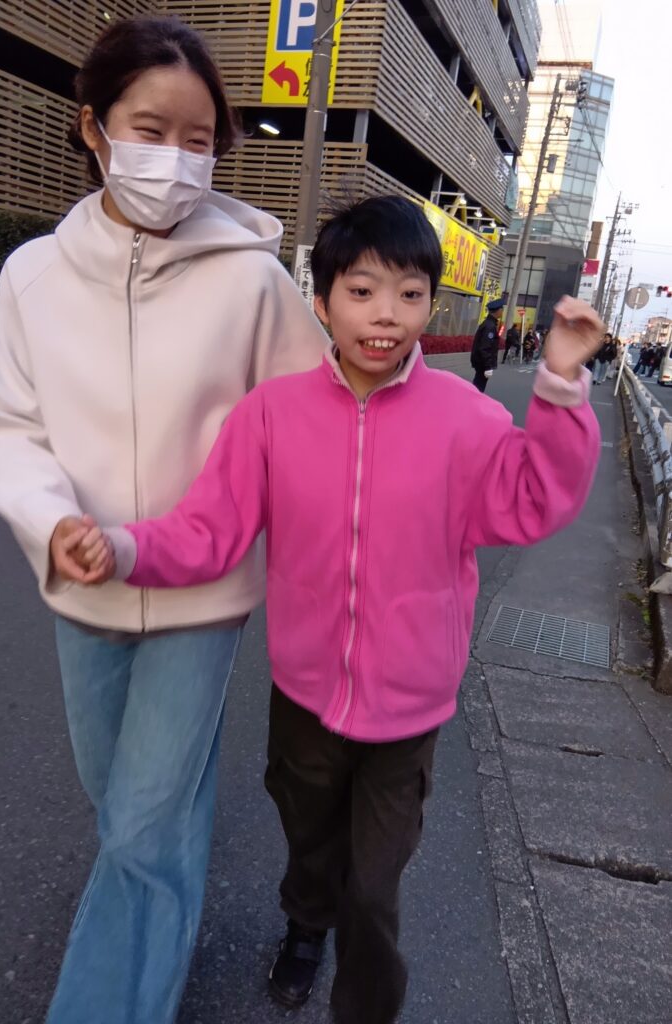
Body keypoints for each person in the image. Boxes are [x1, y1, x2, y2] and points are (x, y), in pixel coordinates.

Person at [68, 196, 603, 1024]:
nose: (386, 314)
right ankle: (303, 923)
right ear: (320, 303)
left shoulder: (466, 419)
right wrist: (122, 549)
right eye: (361, 291)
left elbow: (535, 498)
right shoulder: (271, 415)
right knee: (310, 839)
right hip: (305, 694)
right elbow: (210, 529)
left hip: (409, 709)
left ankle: (364, 1003)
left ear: (430, 304)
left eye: (409, 294)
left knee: (376, 885)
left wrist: (561, 384)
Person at [0, 16, 325, 1024]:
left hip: (203, 595)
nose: (175, 158)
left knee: (140, 825)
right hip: (84, 585)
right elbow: (4, 422)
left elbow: (315, 423)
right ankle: (159, 925)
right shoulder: (34, 276)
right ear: (94, 127)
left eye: (198, 139)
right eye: (150, 130)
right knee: (128, 804)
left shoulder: (252, 282)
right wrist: (51, 522)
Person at [470, 296, 505, 390]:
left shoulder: (488, 323)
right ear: (498, 311)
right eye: (502, 309)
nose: (502, 312)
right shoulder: (490, 326)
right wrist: (488, 367)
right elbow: (485, 347)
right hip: (482, 363)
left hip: (480, 362)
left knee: (477, 386)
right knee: (478, 388)